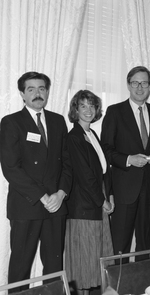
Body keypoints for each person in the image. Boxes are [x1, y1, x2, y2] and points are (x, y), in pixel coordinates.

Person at [0, 72, 72, 292]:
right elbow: (11, 168)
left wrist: (60, 194)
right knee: (20, 267)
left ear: (47, 91)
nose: (37, 93)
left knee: (54, 267)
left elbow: (67, 164)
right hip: (27, 205)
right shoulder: (11, 122)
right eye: (30, 89)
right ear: (22, 93)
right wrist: (43, 196)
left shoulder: (58, 121)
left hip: (56, 207)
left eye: (41, 88)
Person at [101, 66, 150, 259]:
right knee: (120, 243)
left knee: (144, 242)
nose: (140, 87)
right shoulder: (115, 112)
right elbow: (105, 149)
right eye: (135, 83)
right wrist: (128, 159)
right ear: (128, 85)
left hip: (149, 188)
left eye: (144, 83)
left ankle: (141, 284)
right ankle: (116, 286)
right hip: (124, 188)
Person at [65, 90, 114, 295]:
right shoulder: (74, 136)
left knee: (95, 260)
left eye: (92, 106)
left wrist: (109, 196)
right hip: (84, 206)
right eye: (82, 106)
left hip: (97, 201)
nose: (88, 110)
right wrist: (102, 200)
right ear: (75, 110)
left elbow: (104, 169)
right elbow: (85, 175)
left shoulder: (92, 134)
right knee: (83, 262)